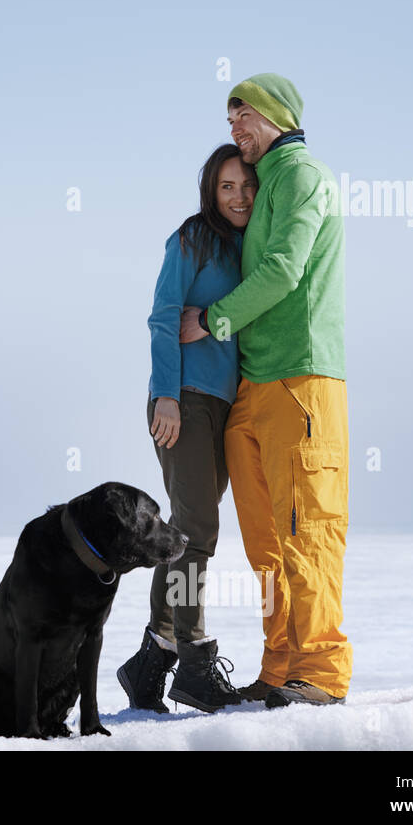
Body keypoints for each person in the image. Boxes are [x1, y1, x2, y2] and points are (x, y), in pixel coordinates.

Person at [179, 73, 351, 707]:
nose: (234, 130)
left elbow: (285, 268)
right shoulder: (266, 182)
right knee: (267, 541)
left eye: (242, 116)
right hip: (256, 383)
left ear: (275, 115)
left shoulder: (302, 176)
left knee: (309, 527)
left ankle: (323, 673)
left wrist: (214, 318)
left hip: (301, 378)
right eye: (229, 121)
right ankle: (279, 667)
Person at [116, 143, 256, 714]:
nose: (239, 196)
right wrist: (167, 398)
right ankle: (194, 662)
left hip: (223, 405)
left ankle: (150, 662)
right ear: (209, 191)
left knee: (183, 530)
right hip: (184, 400)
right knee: (197, 531)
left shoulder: (247, 249)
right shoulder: (192, 239)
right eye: (227, 187)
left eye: (246, 185)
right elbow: (162, 316)